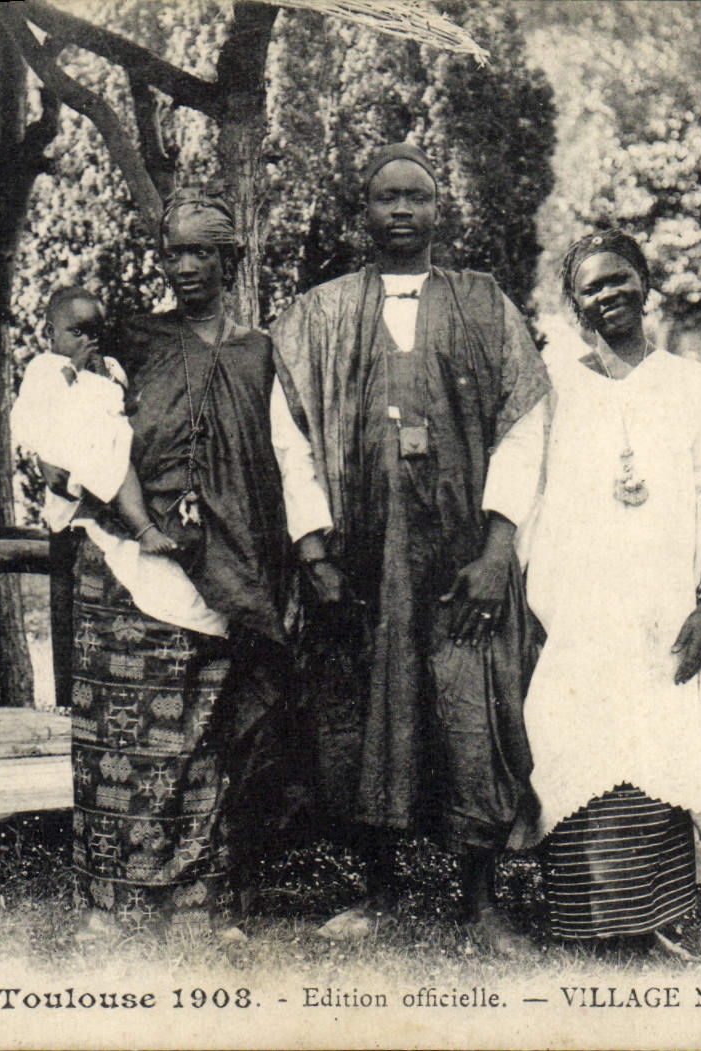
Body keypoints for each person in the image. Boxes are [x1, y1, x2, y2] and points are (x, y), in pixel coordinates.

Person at [16, 196, 335, 938]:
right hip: (126, 567)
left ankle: (201, 905)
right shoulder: (132, 338)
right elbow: (65, 411)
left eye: (202, 252)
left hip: (223, 570)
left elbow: (290, 458)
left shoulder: (260, 355)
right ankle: (112, 907)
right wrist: (70, 482)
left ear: (232, 259)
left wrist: (311, 550)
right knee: (117, 741)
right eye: (173, 253)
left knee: (202, 742)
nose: (185, 267)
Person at [270, 142, 550, 953]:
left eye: (416, 197)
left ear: (439, 210)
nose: (401, 211)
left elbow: (526, 424)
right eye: (385, 198)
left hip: (463, 558)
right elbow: (287, 436)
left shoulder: (483, 303)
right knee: (364, 714)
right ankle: (378, 890)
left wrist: (498, 548)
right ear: (362, 213)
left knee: (474, 713)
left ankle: (481, 901)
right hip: (358, 562)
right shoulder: (316, 314)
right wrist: (314, 552)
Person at [517, 229, 701, 956]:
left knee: (662, 738)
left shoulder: (690, 384)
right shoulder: (553, 385)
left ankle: (651, 913)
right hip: (576, 610)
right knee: (574, 736)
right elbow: (524, 490)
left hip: (667, 606)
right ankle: (587, 913)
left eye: (620, 278)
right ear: (574, 305)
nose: (609, 295)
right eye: (592, 287)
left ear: (645, 281)